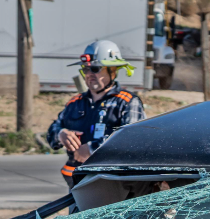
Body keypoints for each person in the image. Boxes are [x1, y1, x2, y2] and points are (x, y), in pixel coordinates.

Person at [47, 40, 146, 185]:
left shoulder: (128, 102)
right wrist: (61, 134)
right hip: (76, 184)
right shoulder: (75, 103)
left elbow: (132, 140)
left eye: (95, 69)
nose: (89, 74)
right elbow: (51, 132)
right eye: (86, 69)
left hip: (114, 185)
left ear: (113, 70)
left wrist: (92, 149)